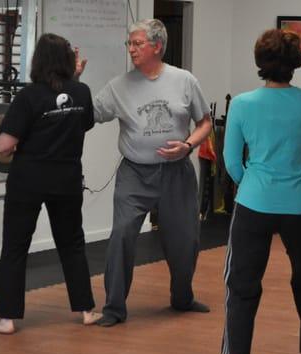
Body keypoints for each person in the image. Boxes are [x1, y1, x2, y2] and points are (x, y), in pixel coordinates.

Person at [209, 29, 301, 354]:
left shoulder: (244, 104)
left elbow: (230, 159)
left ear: (260, 63)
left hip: (254, 205)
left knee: (242, 284)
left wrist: (251, 184)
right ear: (295, 64)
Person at [77, 19, 212, 327]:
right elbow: (89, 115)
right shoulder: (118, 86)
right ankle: (113, 308)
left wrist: (188, 146)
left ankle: (182, 298)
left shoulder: (184, 80)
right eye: (130, 43)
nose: (131, 49)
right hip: (135, 174)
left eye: (137, 43)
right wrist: (74, 82)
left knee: (184, 240)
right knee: (122, 234)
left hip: (177, 172)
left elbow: (204, 122)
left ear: (157, 46)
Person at [0, 33, 101, 334]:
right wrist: (74, 81)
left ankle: (7, 319)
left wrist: (0, 135)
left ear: (38, 61)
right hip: (67, 181)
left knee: (15, 247)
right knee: (72, 244)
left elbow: (5, 146)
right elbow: (84, 123)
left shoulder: (29, 96)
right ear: (67, 62)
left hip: (28, 182)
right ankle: (87, 311)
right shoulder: (82, 92)